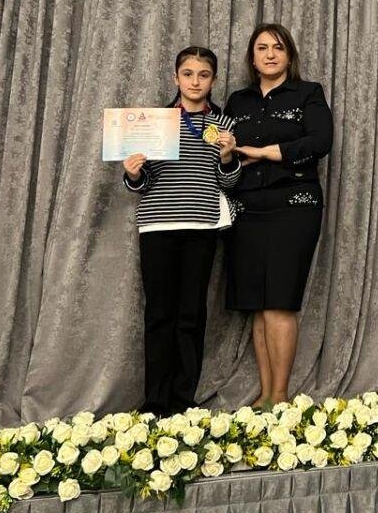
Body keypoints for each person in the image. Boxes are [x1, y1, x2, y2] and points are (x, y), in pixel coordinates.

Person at [122, 46, 240, 414]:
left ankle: (182, 401)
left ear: (213, 80)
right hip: (157, 225)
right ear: (176, 78)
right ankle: (155, 402)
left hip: (201, 227)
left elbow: (229, 183)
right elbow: (141, 184)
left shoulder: (225, 124)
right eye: (187, 74)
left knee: (191, 315)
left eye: (203, 75)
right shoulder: (154, 123)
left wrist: (227, 157)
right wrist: (133, 173)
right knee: (159, 314)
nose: (195, 81)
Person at [223, 23, 333, 408]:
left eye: (278, 47)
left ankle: (282, 397)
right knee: (257, 304)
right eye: (262, 48)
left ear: (289, 56)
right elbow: (227, 155)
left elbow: (320, 141)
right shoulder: (238, 101)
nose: (270, 54)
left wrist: (263, 152)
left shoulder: (309, 93)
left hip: (294, 205)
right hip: (247, 207)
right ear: (252, 58)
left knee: (279, 302)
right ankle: (265, 395)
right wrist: (229, 156)